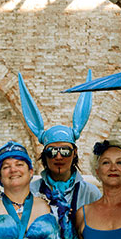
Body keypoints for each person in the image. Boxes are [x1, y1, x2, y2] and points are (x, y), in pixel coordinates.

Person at [17, 71, 101, 215]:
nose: (59, 157)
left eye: (65, 151)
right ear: (44, 155)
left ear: (74, 153)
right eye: (52, 152)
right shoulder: (31, 191)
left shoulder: (90, 193)